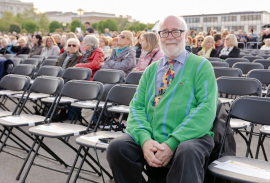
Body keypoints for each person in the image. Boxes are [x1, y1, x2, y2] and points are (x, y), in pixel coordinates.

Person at [107, 15, 217, 183]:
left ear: (186, 35)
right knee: (117, 148)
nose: (170, 36)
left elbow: (206, 108)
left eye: (176, 31)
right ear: (158, 38)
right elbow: (137, 106)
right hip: (152, 134)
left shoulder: (202, 66)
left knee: (187, 151)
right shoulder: (151, 70)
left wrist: (172, 142)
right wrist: (145, 141)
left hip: (190, 137)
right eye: (164, 32)